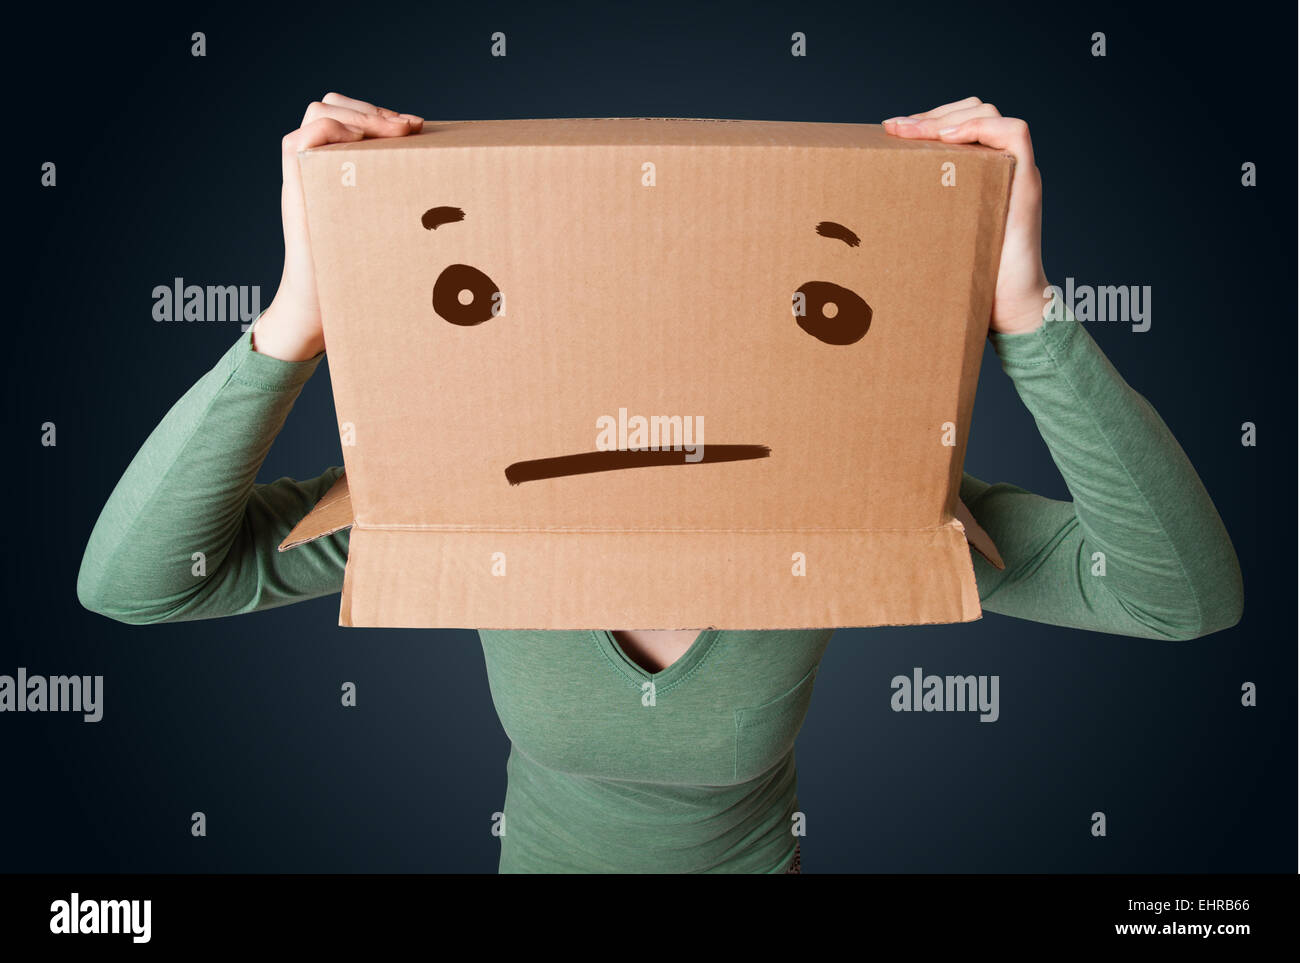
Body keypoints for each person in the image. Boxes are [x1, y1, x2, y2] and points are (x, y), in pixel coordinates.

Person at [76, 93, 1244, 874]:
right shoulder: (469, 494)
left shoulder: (854, 506)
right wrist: (299, 319)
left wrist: (1022, 313)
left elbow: (1175, 597)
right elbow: (140, 586)